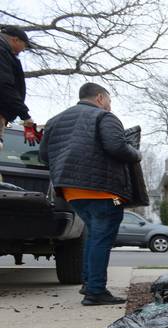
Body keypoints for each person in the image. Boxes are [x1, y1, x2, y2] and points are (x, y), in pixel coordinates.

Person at [39, 82, 141, 306]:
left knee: (94, 236)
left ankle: (88, 284)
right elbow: (117, 147)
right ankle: (95, 291)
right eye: (109, 102)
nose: (110, 107)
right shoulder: (104, 117)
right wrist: (136, 153)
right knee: (102, 238)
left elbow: (44, 155)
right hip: (106, 193)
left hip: (72, 193)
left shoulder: (55, 121)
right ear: (100, 98)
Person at [0, 25, 35, 153]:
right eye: (24, 46)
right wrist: (24, 114)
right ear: (15, 40)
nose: (23, 50)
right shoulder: (2, 52)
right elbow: (4, 85)